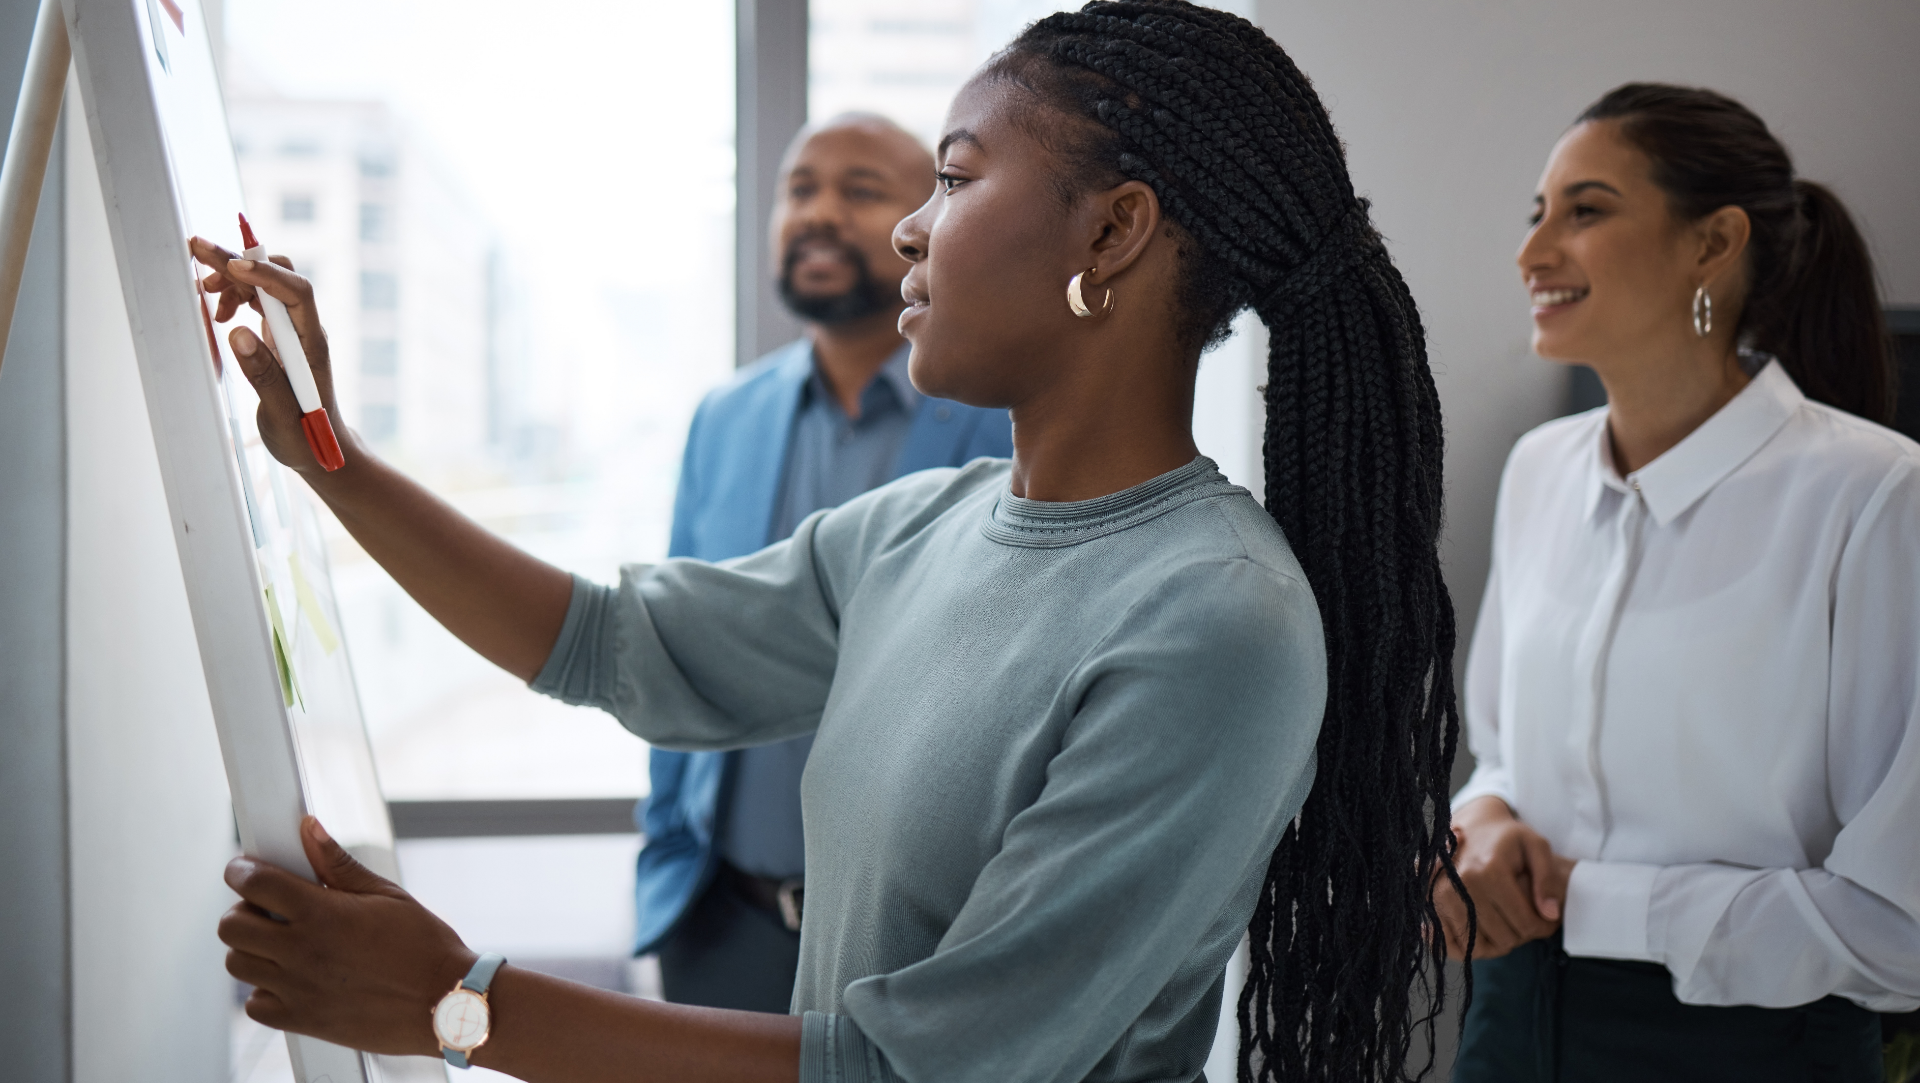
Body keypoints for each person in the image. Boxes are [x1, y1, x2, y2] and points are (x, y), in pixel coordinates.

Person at [198, 3, 1466, 1080]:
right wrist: (332, 461)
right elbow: (611, 643)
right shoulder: (922, 528)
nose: (913, 228)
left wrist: (454, 1004)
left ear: (1111, 233)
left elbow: (918, 1066)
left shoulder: (1217, 618)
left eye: (957, 180)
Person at [1435, 83, 1920, 1082]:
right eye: (1538, 215)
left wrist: (1590, 899)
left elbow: (1897, 928)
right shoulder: (1538, 471)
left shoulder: (1877, 499)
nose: (1533, 254)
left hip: (1750, 1047)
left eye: (1587, 210)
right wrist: (1481, 828)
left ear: (1714, 244)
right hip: (1509, 1022)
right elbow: (1502, 759)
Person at [645, 112, 1012, 1013]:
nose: (817, 213)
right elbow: (670, 643)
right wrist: (664, 860)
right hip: (721, 926)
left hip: (926, 948)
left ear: (926, 220)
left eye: (858, 190)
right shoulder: (723, 419)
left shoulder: (1003, 419)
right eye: (798, 189)